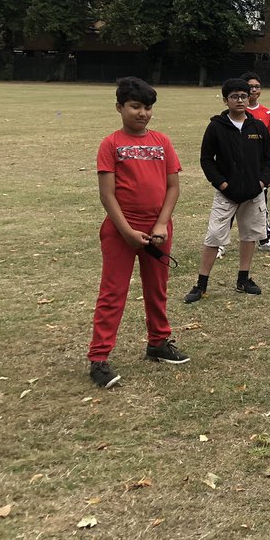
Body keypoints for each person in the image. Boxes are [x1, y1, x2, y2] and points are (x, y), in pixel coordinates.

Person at [88, 77, 188, 389]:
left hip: (158, 229)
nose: (142, 113)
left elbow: (173, 187)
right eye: (135, 106)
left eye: (148, 107)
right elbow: (108, 195)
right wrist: (128, 231)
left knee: (157, 290)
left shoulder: (162, 142)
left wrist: (160, 224)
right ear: (119, 107)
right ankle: (99, 357)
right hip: (121, 230)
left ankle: (158, 343)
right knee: (113, 293)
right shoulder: (111, 144)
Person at [184, 78, 270, 303]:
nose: (240, 100)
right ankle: (201, 284)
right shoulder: (216, 127)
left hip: (253, 193)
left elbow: (267, 159)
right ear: (226, 100)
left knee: (250, 235)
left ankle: (243, 279)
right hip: (226, 193)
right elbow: (207, 160)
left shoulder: (258, 127)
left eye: (244, 96)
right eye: (234, 96)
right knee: (214, 236)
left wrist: (261, 183)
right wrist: (222, 184)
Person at [241, 71, 270, 253]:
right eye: (250, 86)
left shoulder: (266, 112)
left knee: (261, 204)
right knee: (230, 203)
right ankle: (220, 244)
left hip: (260, 165)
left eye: (257, 86)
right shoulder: (237, 109)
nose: (253, 90)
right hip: (241, 165)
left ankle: (264, 240)